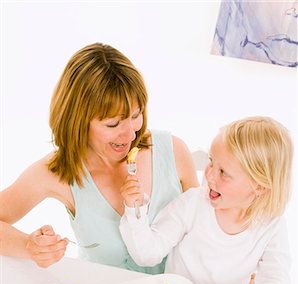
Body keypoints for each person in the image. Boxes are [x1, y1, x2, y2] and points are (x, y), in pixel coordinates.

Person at [0, 43, 198, 272]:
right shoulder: (58, 172)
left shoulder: (173, 151)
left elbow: (203, 227)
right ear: (78, 121)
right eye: (112, 123)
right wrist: (29, 247)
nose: (130, 133)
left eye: (136, 115)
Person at [119, 116, 293, 284]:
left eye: (224, 173)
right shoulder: (192, 204)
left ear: (259, 185)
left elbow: (275, 282)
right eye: (211, 162)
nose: (209, 175)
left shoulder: (272, 226)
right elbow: (147, 254)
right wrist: (135, 211)